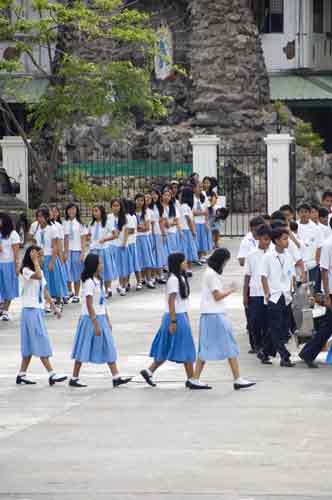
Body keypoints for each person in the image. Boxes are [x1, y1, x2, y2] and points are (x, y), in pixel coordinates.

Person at [192, 248, 256, 391]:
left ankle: (196, 378)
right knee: (229, 345)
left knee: (207, 346)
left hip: (211, 314)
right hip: (215, 314)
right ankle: (237, 379)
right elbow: (217, 296)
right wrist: (232, 290)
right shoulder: (212, 275)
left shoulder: (210, 273)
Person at [69, 253, 132, 388]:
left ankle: (116, 376)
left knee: (108, 345)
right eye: (100, 263)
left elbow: (102, 303)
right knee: (83, 347)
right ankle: (74, 377)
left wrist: (107, 319)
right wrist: (95, 323)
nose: (102, 265)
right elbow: (89, 303)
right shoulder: (89, 282)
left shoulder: (99, 280)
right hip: (91, 319)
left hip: (101, 317)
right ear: (94, 265)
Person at [140, 253, 201, 389]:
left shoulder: (181, 278)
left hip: (180, 315)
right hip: (175, 316)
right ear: (178, 263)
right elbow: (171, 301)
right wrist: (174, 321)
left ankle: (149, 370)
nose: (186, 263)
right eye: (184, 261)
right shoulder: (174, 280)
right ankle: (191, 378)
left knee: (167, 346)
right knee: (186, 346)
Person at [17, 245, 67, 386]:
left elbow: (44, 292)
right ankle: (52, 373)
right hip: (30, 310)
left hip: (37, 310)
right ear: (33, 256)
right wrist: (35, 261)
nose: (43, 258)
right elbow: (37, 276)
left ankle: (21, 374)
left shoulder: (40, 271)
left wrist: (54, 307)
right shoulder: (26, 270)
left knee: (29, 344)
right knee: (40, 340)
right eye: (40, 255)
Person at [260, 227, 296, 367]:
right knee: (276, 327)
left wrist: (292, 290)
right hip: (274, 295)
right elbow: (263, 276)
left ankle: (264, 351)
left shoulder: (288, 255)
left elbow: (291, 274)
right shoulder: (268, 256)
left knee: (281, 327)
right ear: (276, 241)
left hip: (286, 295)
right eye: (284, 239)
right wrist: (267, 293)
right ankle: (284, 356)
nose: (287, 241)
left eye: (287, 238)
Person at [243, 224, 272, 356]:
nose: (267, 242)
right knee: (254, 321)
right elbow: (247, 276)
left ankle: (265, 348)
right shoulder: (251, 255)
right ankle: (256, 345)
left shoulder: (273, 253)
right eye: (264, 239)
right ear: (258, 238)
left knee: (268, 321)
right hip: (255, 293)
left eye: (269, 239)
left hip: (270, 293)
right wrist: (245, 295)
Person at [32, 208, 68, 309]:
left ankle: (58, 302)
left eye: (42, 216)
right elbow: (36, 244)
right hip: (41, 258)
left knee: (54, 280)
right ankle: (47, 302)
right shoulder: (38, 229)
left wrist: (52, 262)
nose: (39, 219)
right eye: (38, 216)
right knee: (44, 281)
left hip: (50, 257)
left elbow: (55, 246)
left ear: (47, 217)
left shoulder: (52, 228)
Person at [88, 205, 117, 299]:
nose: (94, 213)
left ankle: (108, 288)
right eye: (93, 211)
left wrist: (105, 239)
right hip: (93, 249)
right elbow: (88, 236)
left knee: (106, 269)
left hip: (103, 249)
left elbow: (115, 234)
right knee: (95, 271)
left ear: (101, 212)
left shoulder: (107, 223)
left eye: (96, 211)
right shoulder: (91, 224)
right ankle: (99, 289)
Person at [63, 203, 87, 303]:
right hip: (67, 251)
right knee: (67, 272)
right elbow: (64, 238)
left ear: (76, 211)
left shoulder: (80, 224)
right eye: (69, 209)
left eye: (73, 209)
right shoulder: (64, 223)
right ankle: (69, 292)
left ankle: (77, 294)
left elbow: (83, 239)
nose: (71, 211)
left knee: (77, 273)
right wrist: (64, 252)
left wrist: (83, 252)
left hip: (77, 250)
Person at [297, 203, 323, 291]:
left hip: (312, 264)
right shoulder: (295, 226)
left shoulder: (316, 228)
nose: (304, 214)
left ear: (309, 213)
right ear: (298, 214)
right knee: (299, 290)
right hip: (297, 264)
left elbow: (319, 246)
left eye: (306, 212)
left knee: (312, 290)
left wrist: (317, 262)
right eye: (301, 212)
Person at [0, 213, 20, 321]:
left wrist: (17, 266)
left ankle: (6, 311)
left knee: (8, 288)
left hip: (8, 264)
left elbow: (16, 253)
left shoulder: (13, 234)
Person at [108, 199, 130, 296]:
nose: (116, 207)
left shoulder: (124, 218)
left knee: (122, 266)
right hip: (111, 244)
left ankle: (122, 286)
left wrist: (124, 243)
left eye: (117, 205)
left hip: (121, 245)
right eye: (114, 205)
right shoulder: (109, 217)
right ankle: (109, 288)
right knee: (112, 267)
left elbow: (126, 231)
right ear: (111, 207)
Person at [134, 193, 156, 289]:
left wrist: (138, 227)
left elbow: (147, 228)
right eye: (138, 200)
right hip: (135, 239)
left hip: (144, 238)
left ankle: (149, 279)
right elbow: (131, 228)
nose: (140, 202)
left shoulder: (146, 213)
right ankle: (139, 280)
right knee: (138, 260)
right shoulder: (132, 213)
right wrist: (139, 227)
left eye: (142, 200)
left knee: (147, 259)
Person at [179, 187, 198, 277]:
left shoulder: (186, 207)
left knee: (189, 250)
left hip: (187, 230)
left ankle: (188, 268)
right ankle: (185, 269)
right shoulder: (184, 207)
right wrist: (193, 230)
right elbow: (188, 220)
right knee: (185, 250)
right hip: (186, 230)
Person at [149, 189, 167, 284]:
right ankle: (152, 276)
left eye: (155, 194)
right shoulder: (148, 207)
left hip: (158, 233)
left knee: (159, 254)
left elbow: (161, 222)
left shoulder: (160, 207)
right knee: (152, 254)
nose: (154, 196)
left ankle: (159, 275)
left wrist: (163, 234)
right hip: (150, 234)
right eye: (152, 194)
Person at [193, 182, 212, 263]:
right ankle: (196, 256)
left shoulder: (204, 198)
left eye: (201, 187)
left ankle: (201, 256)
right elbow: (192, 212)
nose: (200, 189)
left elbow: (207, 211)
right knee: (196, 240)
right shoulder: (192, 198)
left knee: (202, 240)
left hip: (202, 221)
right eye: (198, 187)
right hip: (195, 222)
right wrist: (201, 213)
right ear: (194, 188)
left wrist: (207, 222)